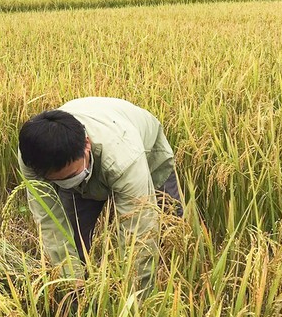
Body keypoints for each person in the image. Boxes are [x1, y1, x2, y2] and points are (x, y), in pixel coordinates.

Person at [18, 97, 182, 289]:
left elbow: (140, 229)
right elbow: (49, 221)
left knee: (168, 227)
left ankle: (170, 285)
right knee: (74, 237)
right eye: (59, 180)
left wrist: (135, 298)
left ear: (87, 144)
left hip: (143, 152)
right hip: (91, 154)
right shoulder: (32, 157)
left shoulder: (124, 158)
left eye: (71, 175)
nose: (67, 182)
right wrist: (73, 282)